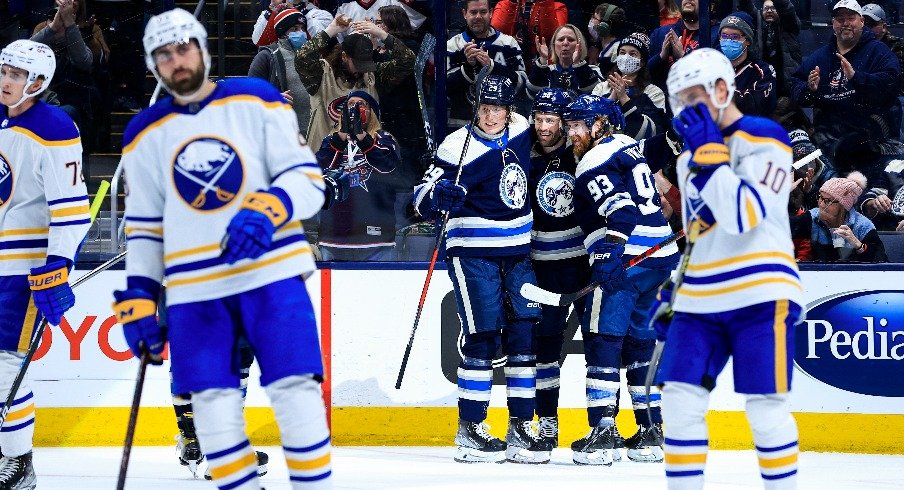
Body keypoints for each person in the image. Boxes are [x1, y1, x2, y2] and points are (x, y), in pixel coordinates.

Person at [113, 9, 333, 488]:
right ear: (154, 65)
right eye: (164, 54)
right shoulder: (143, 134)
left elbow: (307, 181)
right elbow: (147, 229)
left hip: (271, 274)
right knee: (212, 412)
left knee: (297, 395)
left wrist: (270, 207)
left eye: (184, 47)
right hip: (194, 290)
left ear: (203, 49)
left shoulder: (256, 100)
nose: (177, 60)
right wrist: (140, 295)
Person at [653, 47, 805, 489]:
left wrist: (712, 156)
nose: (685, 108)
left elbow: (744, 217)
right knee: (678, 400)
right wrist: (674, 288)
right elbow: (700, 232)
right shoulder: (686, 160)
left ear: (723, 89)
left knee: (765, 406)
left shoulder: (766, 136)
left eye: (693, 96)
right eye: (678, 100)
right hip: (700, 296)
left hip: (762, 290)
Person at [413, 74, 551, 464]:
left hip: (519, 252)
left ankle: (522, 426)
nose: (491, 116)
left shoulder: (523, 128)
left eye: (499, 108)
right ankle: (471, 428)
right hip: (473, 252)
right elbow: (421, 198)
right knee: (483, 338)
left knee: (524, 335)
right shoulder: (455, 146)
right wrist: (437, 196)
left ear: (510, 109)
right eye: (485, 108)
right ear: (475, 107)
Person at [563, 94, 679, 466]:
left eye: (578, 125)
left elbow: (623, 213)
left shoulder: (593, 161)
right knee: (642, 345)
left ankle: (603, 431)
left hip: (627, 262)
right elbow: (659, 149)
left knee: (604, 342)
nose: (571, 133)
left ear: (600, 124)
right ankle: (650, 431)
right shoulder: (627, 145)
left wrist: (610, 254)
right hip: (660, 259)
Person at [0, 38, 89, 490]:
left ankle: (18, 463)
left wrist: (57, 269)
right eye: (4, 71)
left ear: (38, 81)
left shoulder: (55, 127)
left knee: (4, 373)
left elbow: (71, 207)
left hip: (23, 273)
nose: (6, 81)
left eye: (16, 75)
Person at [790, 0, 902, 197]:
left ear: (861, 22)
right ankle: (835, 191)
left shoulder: (878, 51)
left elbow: (891, 85)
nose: (846, 23)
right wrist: (810, 89)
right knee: (797, 150)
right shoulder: (820, 57)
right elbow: (796, 85)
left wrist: (857, 78)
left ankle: (867, 197)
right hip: (829, 141)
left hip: (872, 139)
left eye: (851, 18)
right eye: (840, 19)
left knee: (890, 162)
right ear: (833, 24)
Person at [525, 87, 582, 449]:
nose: (545, 127)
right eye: (540, 119)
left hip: (583, 263)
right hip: (542, 267)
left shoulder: (581, 155)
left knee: (600, 344)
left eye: (552, 120)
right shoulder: (521, 154)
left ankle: (604, 424)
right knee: (544, 348)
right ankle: (547, 424)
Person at [296, 12, 415, 162]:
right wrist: (331, 31)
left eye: (366, 62)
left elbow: (408, 60)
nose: (362, 69)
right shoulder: (321, 75)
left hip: (367, 161)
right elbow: (302, 57)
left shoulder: (372, 76)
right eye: (358, 63)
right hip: (326, 158)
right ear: (344, 56)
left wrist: (382, 34)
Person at [316, 91, 400, 260]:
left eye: (361, 104)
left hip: (376, 237)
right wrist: (341, 137)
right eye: (350, 104)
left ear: (372, 112)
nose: (354, 108)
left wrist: (363, 138)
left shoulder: (384, 139)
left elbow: (388, 167)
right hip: (334, 236)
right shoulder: (330, 141)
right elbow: (317, 171)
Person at [446, 0, 526, 128]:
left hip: (501, 127)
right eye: (473, 12)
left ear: (491, 13)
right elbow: (446, 89)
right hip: (461, 126)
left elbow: (521, 85)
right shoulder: (452, 45)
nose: (478, 16)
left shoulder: (509, 43)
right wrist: (468, 67)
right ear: (464, 14)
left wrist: (492, 66)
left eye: (483, 12)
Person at [790, 172, 888, 262]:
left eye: (828, 201)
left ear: (843, 206)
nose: (821, 204)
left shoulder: (863, 226)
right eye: (820, 197)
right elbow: (780, 228)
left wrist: (858, 245)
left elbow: (882, 261)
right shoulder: (812, 218)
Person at [248, 7, 313, 136]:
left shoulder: (311, 54)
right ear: (283, 32)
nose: (301, 33)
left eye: (302, 28)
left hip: (312, 131)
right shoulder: (267, 56)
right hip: (283, 132)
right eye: (295, 29)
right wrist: (272, 97)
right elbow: (250, 93)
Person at [593, 32, 668, 140]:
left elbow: (652, 132)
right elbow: (592, 125)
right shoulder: (601, 88)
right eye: (622, 53)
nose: (626, 57)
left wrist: (623, 97)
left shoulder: (654, 92)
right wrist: (612, 99)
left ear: (642, 62)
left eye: (633, 54)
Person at [718, 12, 778, 117]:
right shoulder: (712, 67)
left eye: (734, 37)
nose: (728, 40)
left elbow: (757, 105)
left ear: (747, 41)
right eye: (724, 36)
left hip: (749, 130)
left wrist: (718, 95)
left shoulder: (763, 70)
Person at [739, 0, 802, 95]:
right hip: (760, 83)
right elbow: (745, 6)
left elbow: (787, 9)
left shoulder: (789, 25)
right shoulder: (756, 24)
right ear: (761, 11)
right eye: (766, 8)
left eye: (773, 8)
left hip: (787, 85)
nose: (769, 11)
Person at [527, 24, 603, 96]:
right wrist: (543, 59)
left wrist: (577, 63)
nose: (565, 43)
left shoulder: (593, 70)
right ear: (554, 45)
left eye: (571, 40)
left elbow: (596, 93)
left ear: (580, 45)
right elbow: (532, 93)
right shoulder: (547, 71)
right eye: (560, 39)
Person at [491, 0, 567, 59]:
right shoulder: (504, 5)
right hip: (510, 62)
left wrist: (545, 3)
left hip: (543, 63)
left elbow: (554, 36)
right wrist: (511, 3)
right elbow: (496, 34)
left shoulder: (557, 7)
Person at [862, 3, 904, 95]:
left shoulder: (899, 46)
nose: (866, 28)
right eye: (863, 24)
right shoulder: (853, 46)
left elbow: (898, 80)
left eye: (871, 24)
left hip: (893, 95)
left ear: (884, 27)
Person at [252, 0, 333, 47]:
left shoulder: (321, 15)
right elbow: (258, 42)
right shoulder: (269, 13)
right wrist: (273, 13)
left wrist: (293, 13)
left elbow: (320, 43)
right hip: (278, 65)